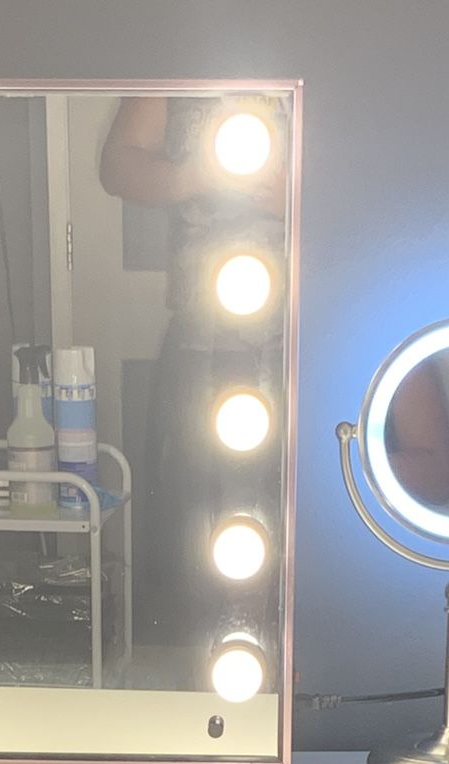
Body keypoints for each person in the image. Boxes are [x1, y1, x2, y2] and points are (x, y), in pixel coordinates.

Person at [100, 95, 287, 668]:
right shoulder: (173, 42)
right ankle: (207, 674)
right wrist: (193, 176)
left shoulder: (328, 41)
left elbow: (384, 178)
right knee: (190, 521)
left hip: (305, 340)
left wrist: (306, 198)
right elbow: (118, 167)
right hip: (200, 337)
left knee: (293, 518)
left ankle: (282, 683)